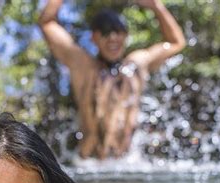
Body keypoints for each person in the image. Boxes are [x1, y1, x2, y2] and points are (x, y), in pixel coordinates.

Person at [39, 0, 186, 159]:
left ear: (126, 35)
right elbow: (47, 23)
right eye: (105, 32)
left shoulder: (136, 65)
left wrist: (156, 6)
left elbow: (176, 43)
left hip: (128, 163)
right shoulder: (84, 66)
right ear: (94, 38)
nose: (113, 37)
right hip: (90, 164)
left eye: (118, 31)